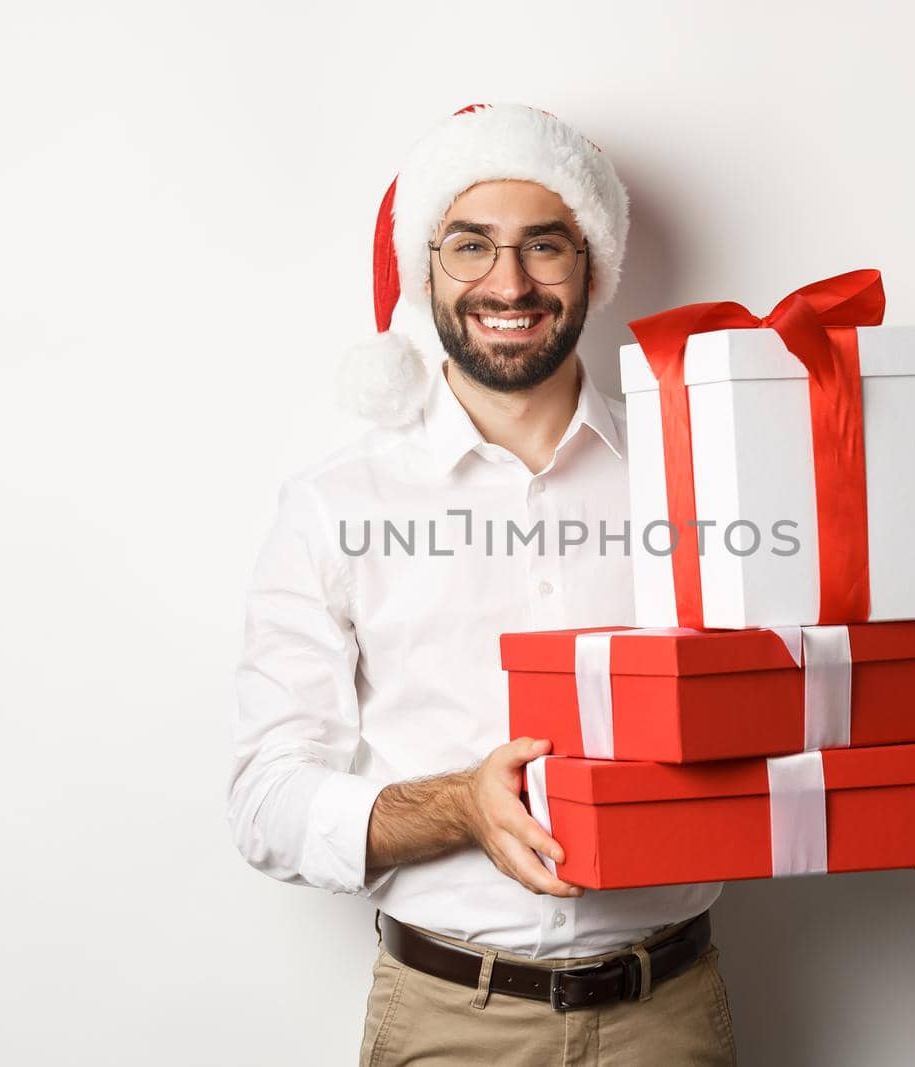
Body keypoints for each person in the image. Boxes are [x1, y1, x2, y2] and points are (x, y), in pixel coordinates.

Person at [228, 103, 735, 1066]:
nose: (509, 283)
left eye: (545, 245)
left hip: (668, 1016)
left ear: (594, 266)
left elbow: (780, 700)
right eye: (471, 246)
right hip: (449, 1022)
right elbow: (266, 802)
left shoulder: (705, 479)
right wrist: (459, 803)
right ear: (429, 270)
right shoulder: (334, 507)